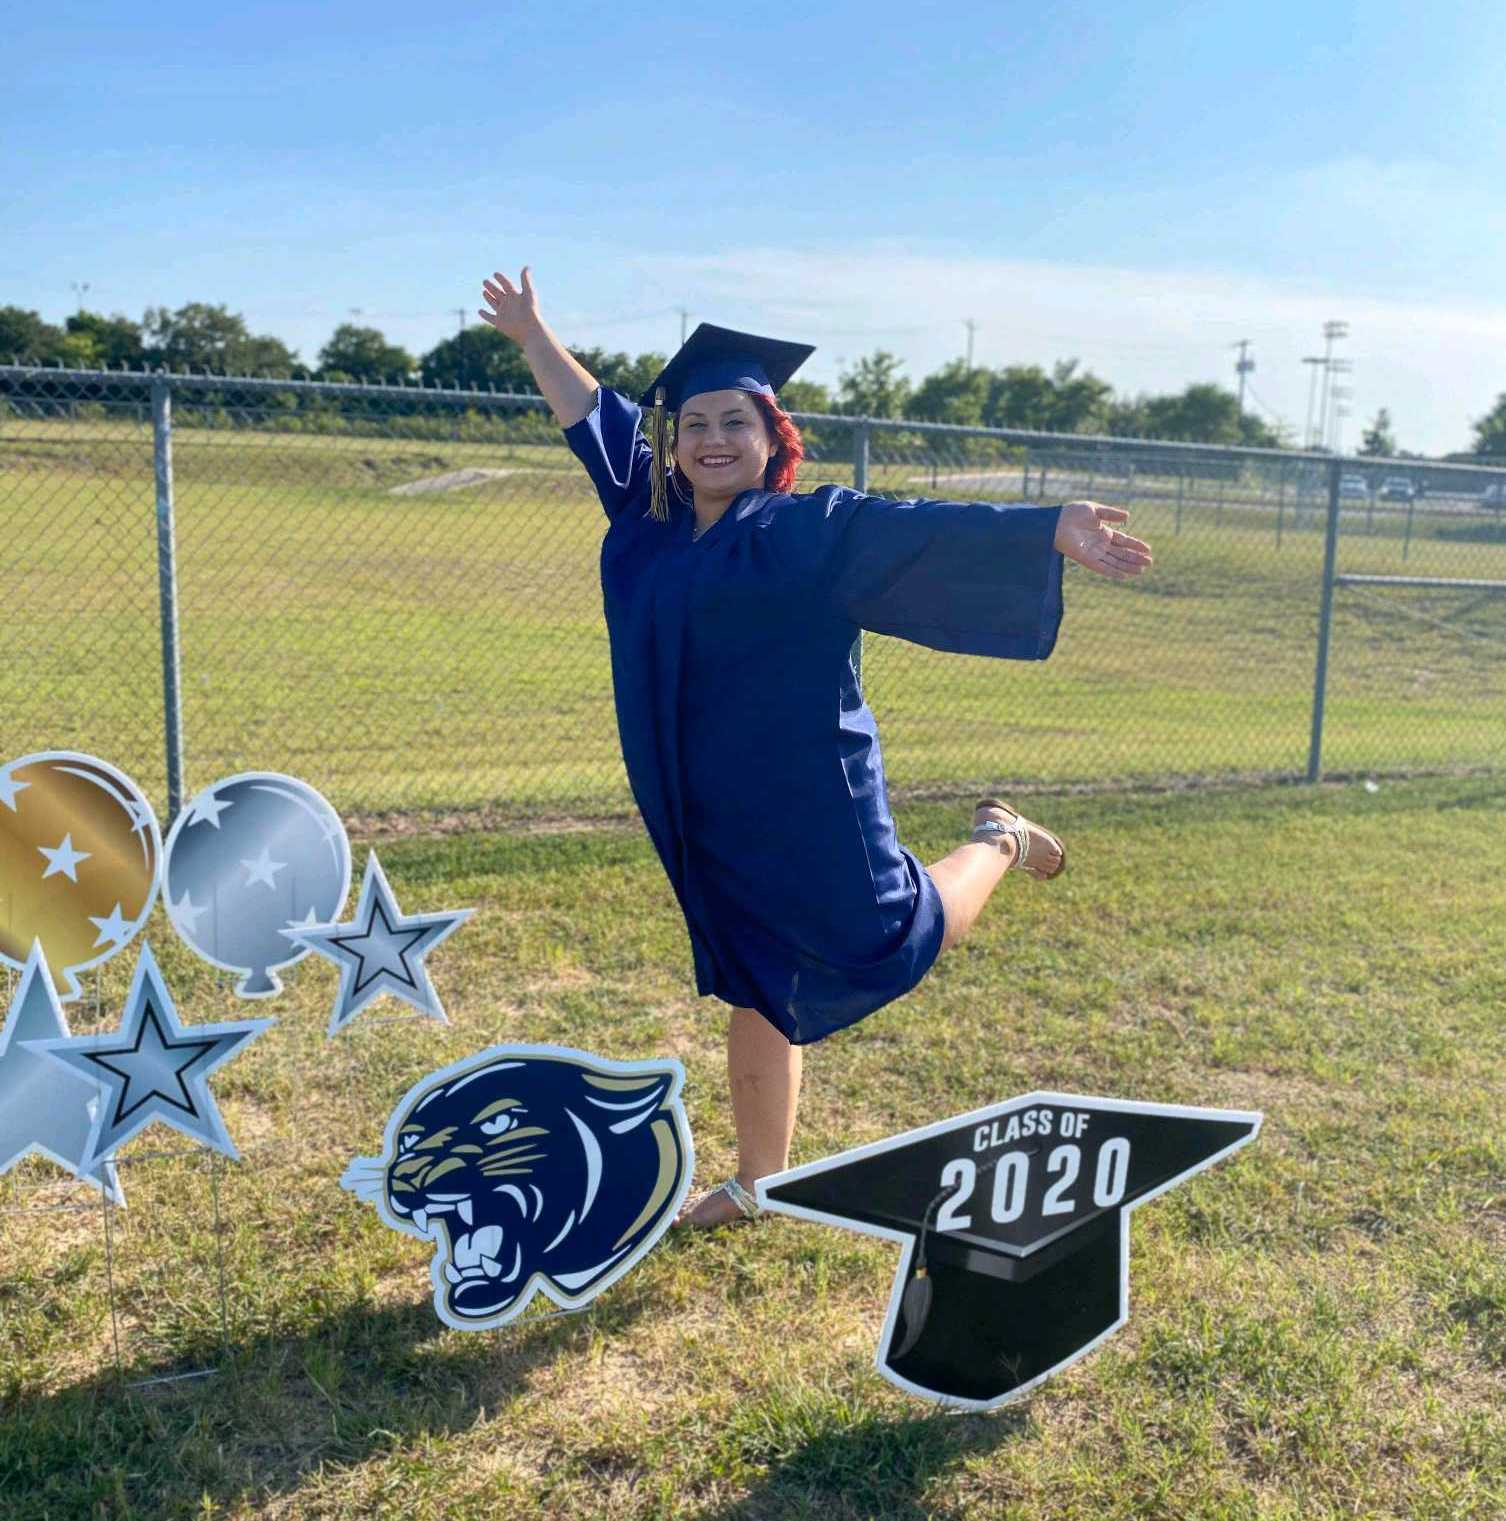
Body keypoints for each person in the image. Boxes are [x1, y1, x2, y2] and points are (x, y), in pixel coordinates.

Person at [478, 267, 1153, 1230]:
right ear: (675, 442)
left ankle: (996, 839)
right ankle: (761, 1180)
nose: (714, 439)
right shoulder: (648, 516)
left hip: (812, 795)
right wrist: (534, 333)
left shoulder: (810, 530)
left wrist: (1049, 527)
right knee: (751, 970)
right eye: (697, 423)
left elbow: (920, 530)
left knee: (890, 940)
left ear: (771, 440)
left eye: (736, 424)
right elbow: (588, 409)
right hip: (707, 804)